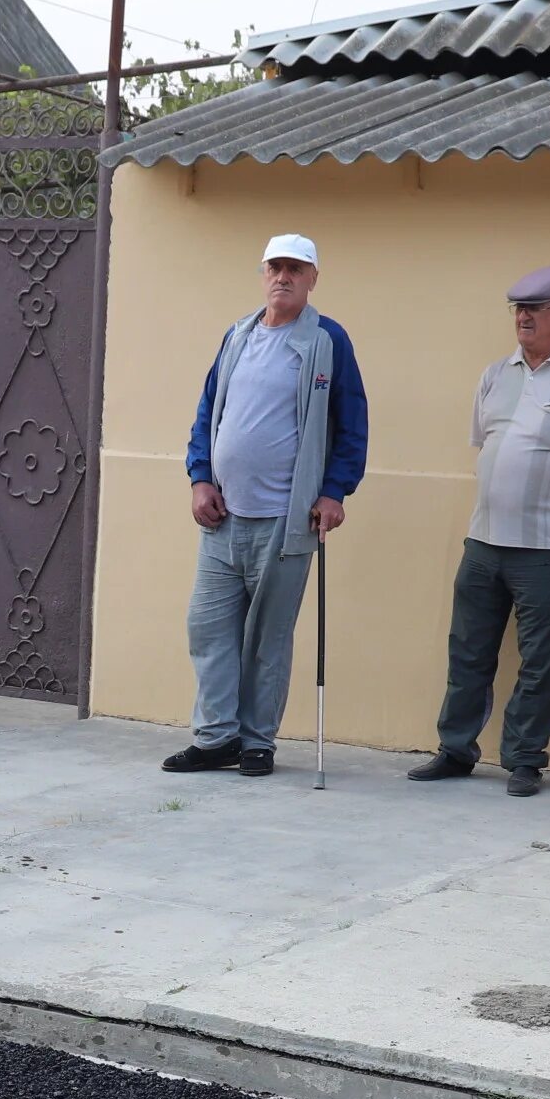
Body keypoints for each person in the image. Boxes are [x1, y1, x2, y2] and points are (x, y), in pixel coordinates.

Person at [407, 265, 550, 796]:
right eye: (518, 309)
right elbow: (484, 447)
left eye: (536, 309)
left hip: (547, 549)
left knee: (538, 659)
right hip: (484, 541)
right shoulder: (495, 374)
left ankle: (525, 760)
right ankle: (456, 749)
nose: (524, 318)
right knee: (468, 649)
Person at [168, 232, 367, 778]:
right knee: (208, 631)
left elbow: (352, 423)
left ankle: (257, 743)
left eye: (295, 269)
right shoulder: (238, 336)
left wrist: (334, 491)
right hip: (222, 519)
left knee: (267, 639)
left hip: (286, 520)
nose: (283, 277)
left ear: (312, 279)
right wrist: (200, 478)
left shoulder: (328, 341)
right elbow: (208, 410)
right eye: (275, 267)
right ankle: (216, 739)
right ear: (263, 273)